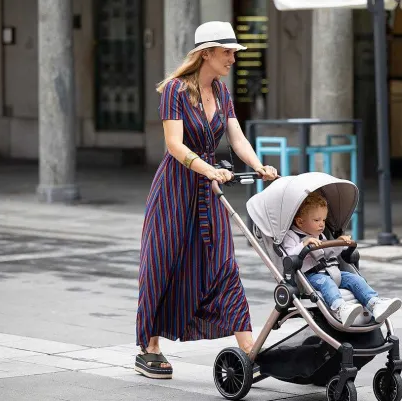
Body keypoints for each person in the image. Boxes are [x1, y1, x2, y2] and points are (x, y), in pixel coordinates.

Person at [134, 21, 278, 379]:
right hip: (175, 189)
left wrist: (259, 166)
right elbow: (174, 144)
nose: (232, 58)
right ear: (206, 53)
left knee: (224, 264)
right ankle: (149, 347)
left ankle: (249, 349)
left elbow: (237, 137)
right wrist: (207, 168)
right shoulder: (175, 90)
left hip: (209, 190)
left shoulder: (222, 91)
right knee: (162, 263)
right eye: (227, 52)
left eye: (233, 52)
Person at [281, 192, 402, 328]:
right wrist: (303, 244)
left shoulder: (319, 235)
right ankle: (339, 309)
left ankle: (374, 303)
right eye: (317, 220)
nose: (322, 224)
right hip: (310, 277)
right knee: (327, 283)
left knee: (355, 279)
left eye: (324, 220)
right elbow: (288, 257)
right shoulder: (292, 236)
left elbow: (329, 253)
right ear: (300, 222)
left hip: (331, 271)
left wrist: (339, 243)